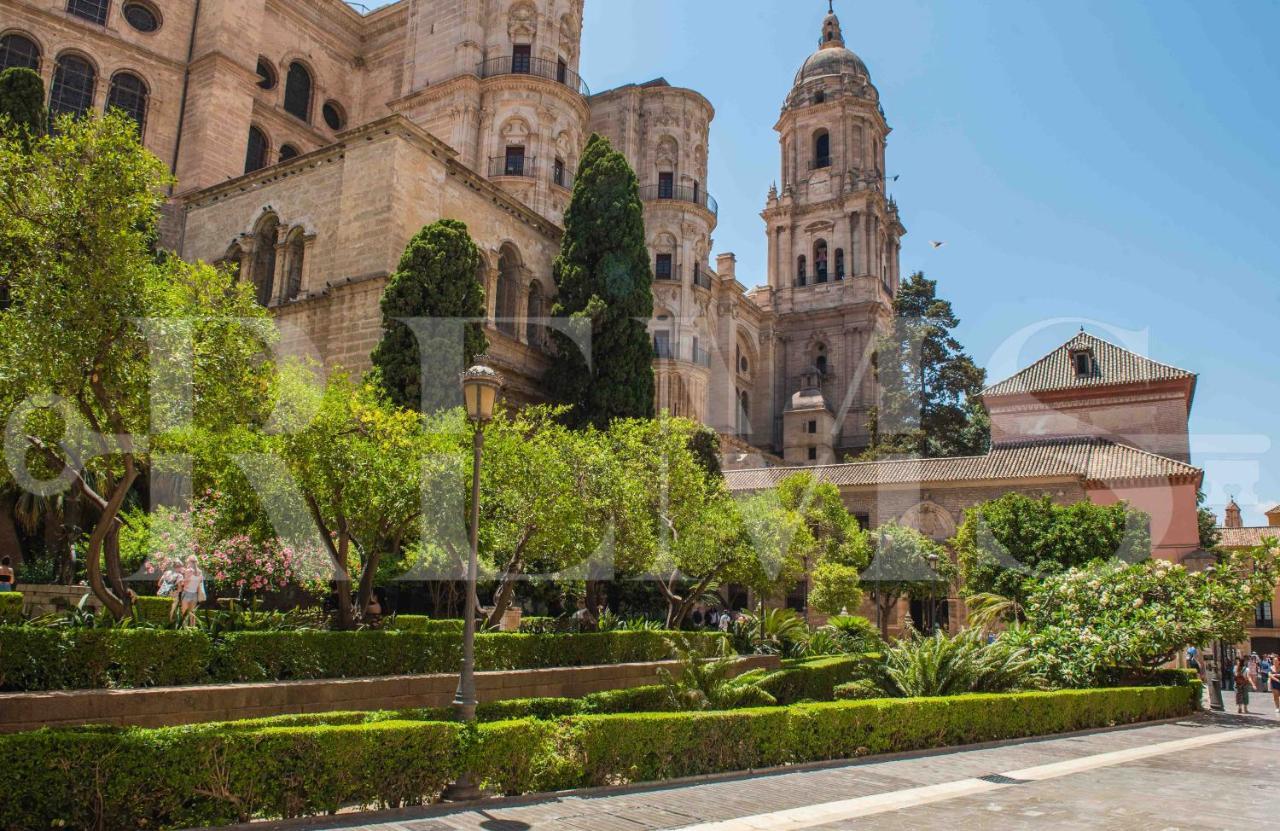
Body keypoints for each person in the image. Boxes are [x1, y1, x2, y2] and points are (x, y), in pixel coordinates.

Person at [178, 555, 205, 627]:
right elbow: (200, 582)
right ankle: (193, 629)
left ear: (190, 562)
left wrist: (181, 580)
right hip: (195, 594)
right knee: (192, 613)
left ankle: (184, 630)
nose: (187, 563)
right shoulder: (200, 572)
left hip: (187, 593)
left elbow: (185, 583)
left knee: (184, 613)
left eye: (187, 562)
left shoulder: (188, 571)